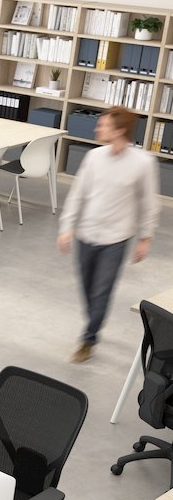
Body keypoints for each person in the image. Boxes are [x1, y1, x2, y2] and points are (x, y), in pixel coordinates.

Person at [57, 105, 159, 363]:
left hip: (115, 240)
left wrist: (145, 238)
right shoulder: (94, 158)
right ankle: (95, 319)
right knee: (88, 289)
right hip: (86, 235)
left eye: (102, 125)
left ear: (120, 130)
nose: (96, 128)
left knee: (101, 291)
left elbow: (148, 203)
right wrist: (67, 227)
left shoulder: (143, 163)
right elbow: (78, 194)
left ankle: (89, 339)